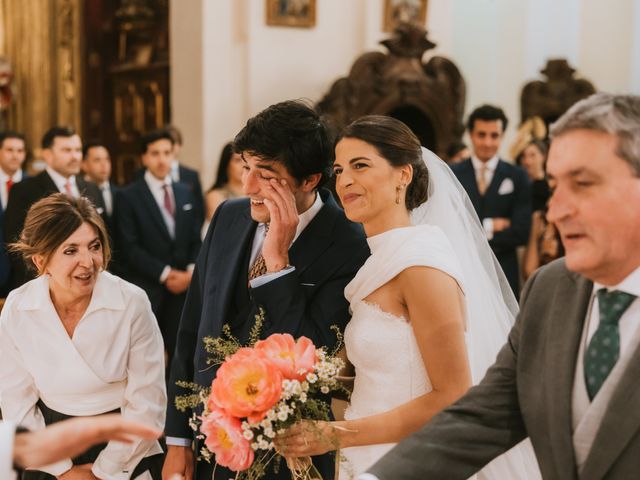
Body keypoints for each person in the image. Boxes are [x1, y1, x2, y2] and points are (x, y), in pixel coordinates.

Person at [361, 93, 640, 479]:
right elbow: (486, 415)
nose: (557, 211)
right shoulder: (551, 288)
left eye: (583, 183)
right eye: (555, 186)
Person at [276, 115, 540, 479]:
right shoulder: (376, 262)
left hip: (411, 463)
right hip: (365, 459)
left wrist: (335, 435)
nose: (345, 180)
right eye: (338, 170)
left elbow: (452, 397)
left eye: (360, 166)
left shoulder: (422, 265)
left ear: (404, 174)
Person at [163, 100, 370, 480]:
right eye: (245, 167)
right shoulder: (228, 215)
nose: (248, 185)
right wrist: (179, 440)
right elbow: (192, 328)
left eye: (266, 173)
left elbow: (315, 351)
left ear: (309, 180)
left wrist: (277, 265)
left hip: (290, 457)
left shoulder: (350, 244)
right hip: (211, 445)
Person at [0, 193, 167, 479]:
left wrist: (104, 470)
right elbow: (15, 401)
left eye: (94, 246)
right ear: (41, 260)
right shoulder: (18, 307)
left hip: (126, 445)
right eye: (70, 250)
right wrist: (63, 470)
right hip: (48, 445)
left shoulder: (131, 302)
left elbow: (148, 401)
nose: (88, 262)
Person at [115, 129, 202, 365]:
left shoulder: (186, 191)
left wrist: (190, 273)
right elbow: (129, 247)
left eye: (167, 153)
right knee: (146, 358)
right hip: (148, 288)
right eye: (155, 153)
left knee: (183, 355)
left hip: (184, 289)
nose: (162, 159)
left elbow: (196, 237)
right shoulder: (127, 196)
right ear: (144, 158)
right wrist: (165, 274)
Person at [3, 126, 106, 290]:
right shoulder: (24, 189)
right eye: (67, 150)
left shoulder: (92, 188)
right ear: (48, 155)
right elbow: (16, 244)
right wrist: (48, 284)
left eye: (77, 150)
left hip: (90, 283)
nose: (74, 156)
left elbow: (104, 237)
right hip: (43, 286)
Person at [451, 105, 531, 296]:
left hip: (503, 272)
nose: (487, 142)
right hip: (463, 269)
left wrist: (474, 230)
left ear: (502, 136)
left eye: (494, 136)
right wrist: (490, 225)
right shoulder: (453, 173)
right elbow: (452, 225)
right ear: (470, 135)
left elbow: (521, 232)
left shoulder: (518, 176)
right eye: (481, 135)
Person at [1, 416, 162, 480]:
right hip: (47, 436)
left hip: (127, 438)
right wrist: (63, 470)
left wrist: (106, 470)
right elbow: (15, 397)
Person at [519, 140, 563, 279]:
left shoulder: (546, 188)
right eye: (524, 156)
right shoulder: (521, 186)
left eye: (533, 155)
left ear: (543, 156)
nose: (527, 161)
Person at [0, 130, 27, 295]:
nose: (15, 156)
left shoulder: (34, 186)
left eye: (20, 150)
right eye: (10, 150)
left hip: (24, 272)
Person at [202, 142, 244, 236]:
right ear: (226, 164)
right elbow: (221, 228)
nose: (243, 166)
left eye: (245, 161)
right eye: (237, 160)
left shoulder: (256, 194)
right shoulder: (215, 195)